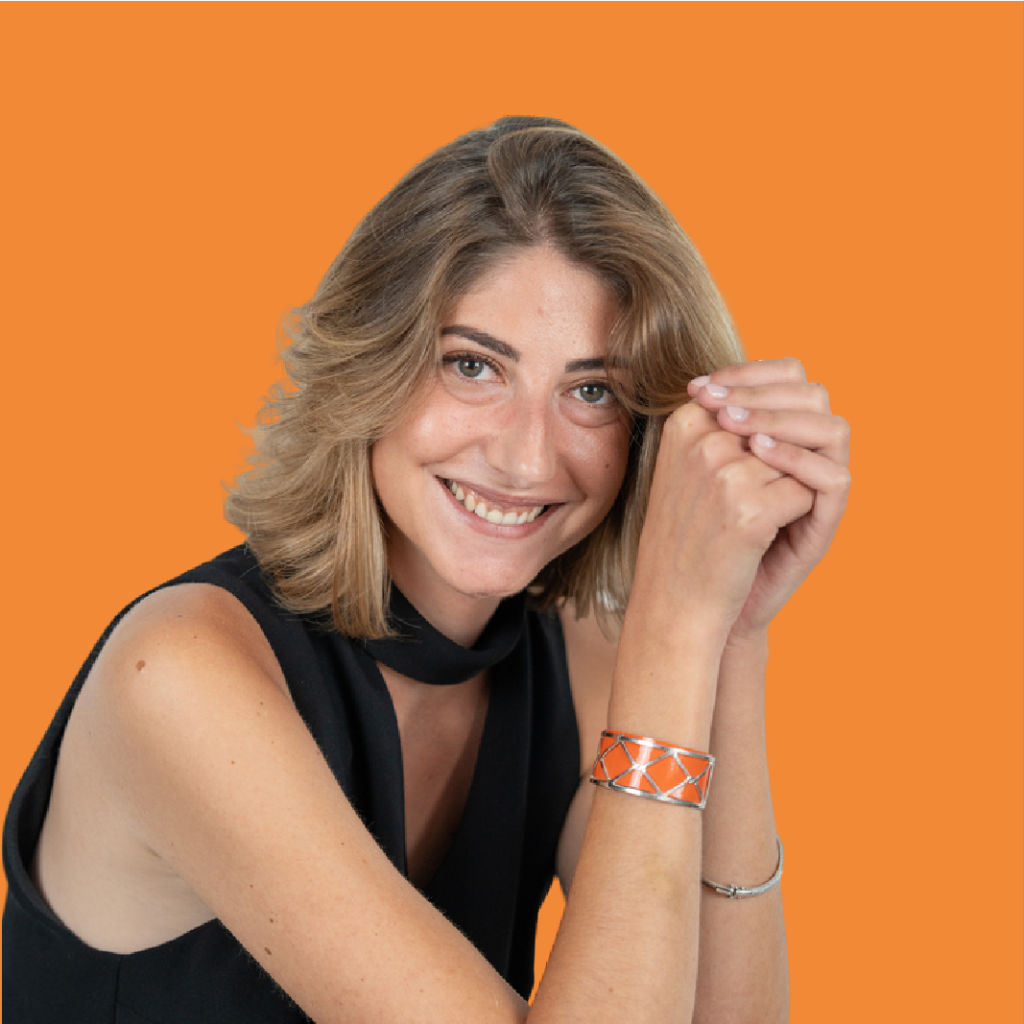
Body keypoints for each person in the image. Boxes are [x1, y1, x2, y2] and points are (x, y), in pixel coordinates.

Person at [2, 116, 850, 1023]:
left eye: (591, 391)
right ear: (370, 365)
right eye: (473, 366)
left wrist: (730, 637)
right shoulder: (178, 678)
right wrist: (675, 637)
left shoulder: (593, 670)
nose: (526, 459)